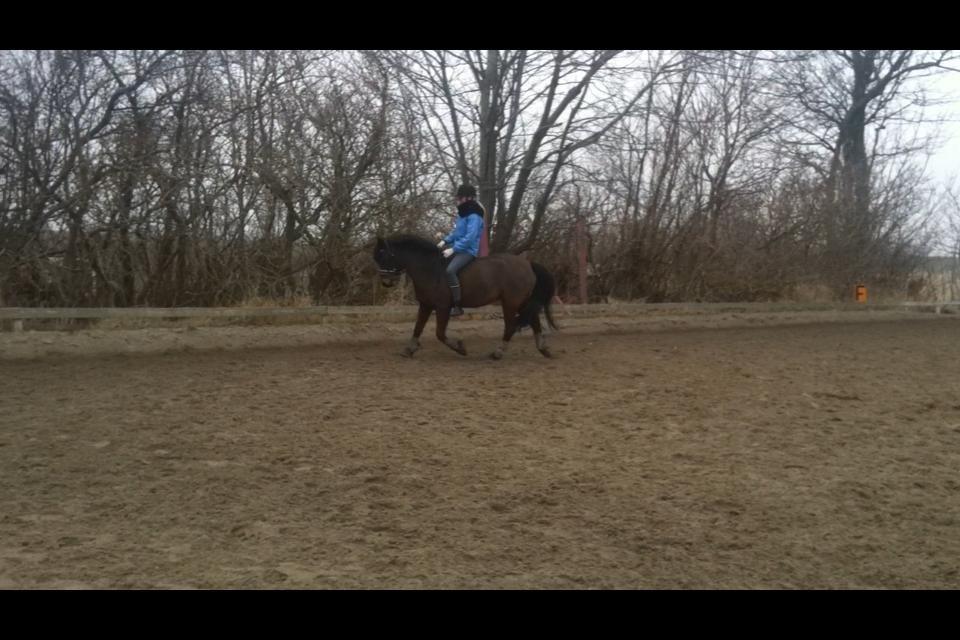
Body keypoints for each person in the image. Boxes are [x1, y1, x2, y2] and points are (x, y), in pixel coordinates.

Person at [437, 184, 485, 316]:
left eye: (460, 197)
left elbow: (470, 237)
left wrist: (453, 249)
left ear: (469, 198)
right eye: (458, 197)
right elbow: (457, 233)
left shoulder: (474, 215)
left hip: (468, 251)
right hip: (459, 248)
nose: (458, 200)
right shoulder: (463, 214)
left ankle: (457, 305)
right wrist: (445, 241)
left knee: (450, 270)